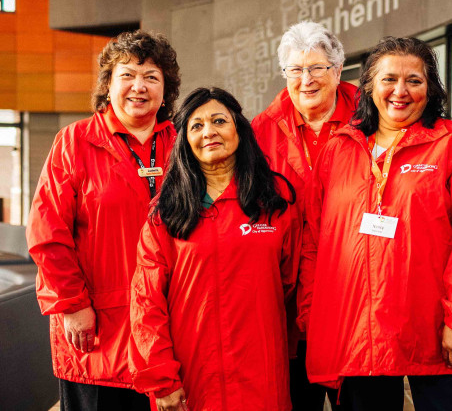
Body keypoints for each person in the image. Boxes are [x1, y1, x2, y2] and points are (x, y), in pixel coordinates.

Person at [298, 36, 452, 411]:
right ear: (369, 87)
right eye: (388, 79)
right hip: (356, 332)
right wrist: (313, 313)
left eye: (414, 80)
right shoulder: (339, 148)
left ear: (431, 89)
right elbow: (314, 238)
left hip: (433, 331)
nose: (401, 91)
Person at [26, 30, 180, 410]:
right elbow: (47, 233)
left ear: (166, 89)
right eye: (126, 75)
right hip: (96, 330)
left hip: (171, 327)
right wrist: (72, 305)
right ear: (108, 84)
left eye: (151, 77)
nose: (138, 87)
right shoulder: (74, 142)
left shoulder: (184, 143)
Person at [129, 87, 302, 411]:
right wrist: (161, 380)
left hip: (261, 374)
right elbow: (145, 302)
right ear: (185, 141)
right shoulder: (166, 212)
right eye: (196, 125)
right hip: (192, 378)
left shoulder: (274, 201)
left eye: (219, 121)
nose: (208, 131)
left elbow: (289, 281)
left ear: (239, 128)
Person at [252, 20, 357, 410]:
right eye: (295, 70)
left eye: (317, 68)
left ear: (338, 69)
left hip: (356, 289)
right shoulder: (260, 132)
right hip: (288, 295)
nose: (306, 79)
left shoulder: (373, 120)